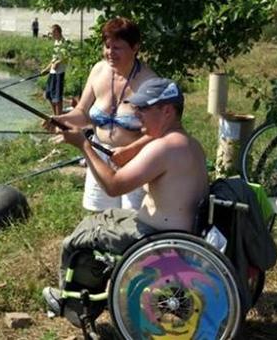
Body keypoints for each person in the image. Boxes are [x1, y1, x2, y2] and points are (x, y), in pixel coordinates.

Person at [43, 77, 209, 316]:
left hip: (156, 237)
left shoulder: (163, 148)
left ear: (167, 111)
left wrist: (84, 145)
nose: (137, 113)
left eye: (144, 108)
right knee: (103, 218)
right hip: (175, 232)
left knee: (78, 239)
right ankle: (89, 297)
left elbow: (113, 185)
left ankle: (71, 303)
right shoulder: (190, 144)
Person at [45, 17, 157, 212]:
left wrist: (130, 150)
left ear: (135, 47)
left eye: (117, 48)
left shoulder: (150, 83)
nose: (110, 53)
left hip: (135, 161)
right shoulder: (98, 70)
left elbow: (160, 132)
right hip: (98, 155)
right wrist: (60, 119)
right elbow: (82, 113)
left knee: (132, 221)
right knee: (99, 217)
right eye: (107, 46)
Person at [41, 24, 69, 115]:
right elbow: (53, 60)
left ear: (57, 32)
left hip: (59, 73)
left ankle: (59, 116)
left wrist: (58, 63)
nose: (50, 35)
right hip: (52, 73)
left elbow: (66, 56)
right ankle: (54, 115)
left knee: (57, 97)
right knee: (49, 95)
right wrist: (46, 69)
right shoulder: (56, 42)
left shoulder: (64, 42)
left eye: (52, 33)